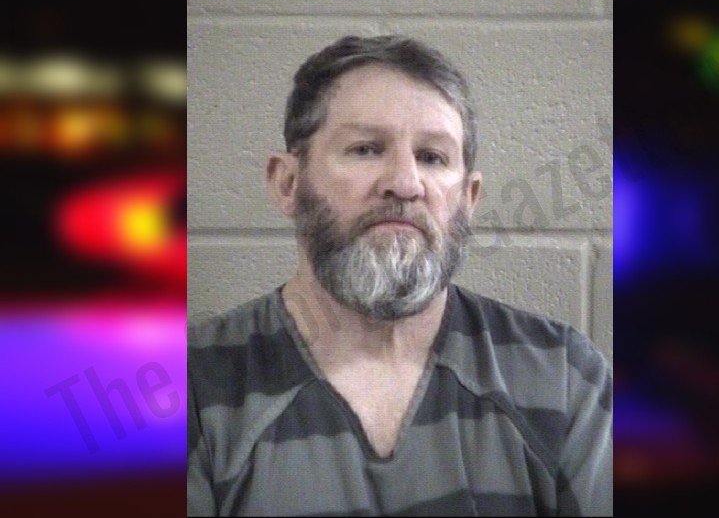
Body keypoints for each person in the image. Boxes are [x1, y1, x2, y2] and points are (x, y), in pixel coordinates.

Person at [187, 35, 612, 516]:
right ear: (288, 183)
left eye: (432, 157)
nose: (406, 184)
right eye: (366, 149)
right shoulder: (193, 388)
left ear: (468, 199)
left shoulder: (562, 379)